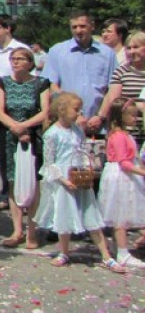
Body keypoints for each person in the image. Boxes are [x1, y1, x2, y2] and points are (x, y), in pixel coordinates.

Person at [34, 92, 127, 273]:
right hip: (64, 180)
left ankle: (106, 256)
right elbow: (49, 162)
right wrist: (62, 179)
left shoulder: (77, 130)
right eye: (76, 109)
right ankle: (64, 251)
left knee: (91, 215)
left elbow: (83, 151)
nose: (79, 113)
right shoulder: (52, 134)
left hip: (79, 177)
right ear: (62, 109)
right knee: (64, 216)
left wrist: (87, 170)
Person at [0, 47, 50, 248]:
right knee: (12, 182)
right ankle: (17, 229)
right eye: (13, 59)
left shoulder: (41, 83)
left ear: (30, 62)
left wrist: (24, 126)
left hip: (32, 136)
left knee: (33, 183)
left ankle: (31, 232)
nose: (15, 62)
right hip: (10, 136)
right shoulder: (3, 82)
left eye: (20, 59)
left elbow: (45, 111)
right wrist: (14, 127)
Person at [0, 15, 30, 211]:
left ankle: (22, 193)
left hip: (14, 105)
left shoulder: (20, 49)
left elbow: (24, 78)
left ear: (7, 28)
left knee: (17, 151)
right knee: (0, 151)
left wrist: (0, 86)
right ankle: (6, 190)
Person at [42, 11, 116, 133]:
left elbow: (112, 88)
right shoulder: (57, 51)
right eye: (74, 27)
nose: (78, 30)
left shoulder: (107, 53)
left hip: (99, 126)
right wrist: (75, 114)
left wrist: (100, 116)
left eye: (82, 26)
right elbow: (51, 85)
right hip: (68, 126)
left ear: (92, 26)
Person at [97, 99, 145, 268]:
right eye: (131, 115)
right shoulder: (117, 136)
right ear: (120, 116)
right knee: (121, 215)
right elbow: (123, 162)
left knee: (127, 213)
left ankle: (124, 248)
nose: (136, 118)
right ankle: (123, 253)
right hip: (121, 177)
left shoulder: (126, 135)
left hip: (128, 176)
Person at [97, 30, 145, 144]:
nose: (131, 51)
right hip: (128, 131)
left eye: (136, 47)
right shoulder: (121, 72)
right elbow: (114, 102)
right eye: (128, 48)